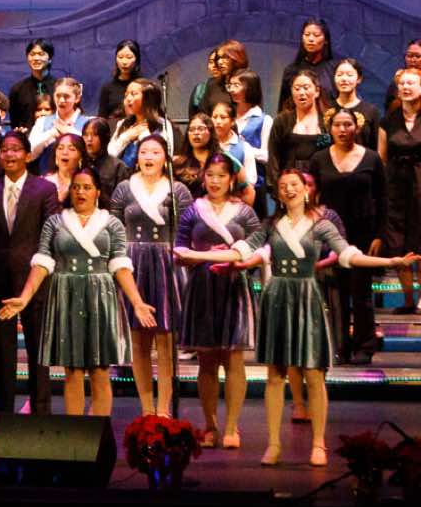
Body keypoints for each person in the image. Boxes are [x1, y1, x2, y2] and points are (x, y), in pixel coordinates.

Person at [219, 168, 414, 466]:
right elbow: (242, 250)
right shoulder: (271, 224)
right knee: (275, 374)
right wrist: (199, 256)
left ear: (306, 189)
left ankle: (318, 443)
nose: (289, 189)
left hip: (307, 296)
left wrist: (391, 260)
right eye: (283, 186)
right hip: (278, 298)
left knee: (313, 372)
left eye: (294, 184)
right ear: (278, 193)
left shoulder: (321, 224)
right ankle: (274, 444)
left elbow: (349, 255)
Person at [0, 168, 156, 419]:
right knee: (72, 370)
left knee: (99, 370)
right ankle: (76, 434)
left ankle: (99, 432)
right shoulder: (55, 222)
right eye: (76, 187)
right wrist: (25, 297)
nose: (81, 192)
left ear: (98, 192)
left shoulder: (111, 223)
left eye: (87, 187)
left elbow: (120, 266)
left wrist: (137, 302)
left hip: (100, 297)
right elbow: (42, 262)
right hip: (66, 295)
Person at [174, 154, 259, 447]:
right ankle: (210, 426)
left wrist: (234, 258)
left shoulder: (245, 212)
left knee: (234, 358)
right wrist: (202, 257)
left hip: (234, 286)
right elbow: (179, 251)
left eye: (221, 175)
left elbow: (257, 249)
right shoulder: (192, 211)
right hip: (202, 287)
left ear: (231, 179)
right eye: (210, 175)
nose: (215, 181)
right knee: (207, 360)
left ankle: (232, 427)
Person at [0, 130, 59, 418]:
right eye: (4, 150)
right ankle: (2, 419)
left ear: (26, 155)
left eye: (15, 149)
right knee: (2, 354)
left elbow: (51, 232)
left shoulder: (44, 189)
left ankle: (41, 416)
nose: (9, 154)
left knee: (38, 351)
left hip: (35, 280)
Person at [109, 136, 191, 417]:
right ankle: (146, 409)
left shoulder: (177, 189)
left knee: (165, 341)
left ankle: (164, 409)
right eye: (144, 152)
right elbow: (115, 228)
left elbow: (186, 229)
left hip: (166, 264)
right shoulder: (124, 188)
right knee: (139, 341)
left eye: (155, 152)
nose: (148, 157)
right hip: (133, 264)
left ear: (165, 158)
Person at [311, 110, 388, 365]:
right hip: (330, 234)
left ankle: (365, 346)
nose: (342, 129)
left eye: (348, 124)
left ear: (357, 127)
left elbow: (383, 199)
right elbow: (312, 197)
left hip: (363, 233)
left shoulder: (372, 158)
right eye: (337, 125)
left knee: (361, 292)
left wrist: (379, 235)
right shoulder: (319, 159)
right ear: (330, 128)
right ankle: (340, 346)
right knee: (336, 293)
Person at [379, 68, 421, 314]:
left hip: (420, 184)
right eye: (402, 83)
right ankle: (407, 300)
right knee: (398, 242)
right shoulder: (389, 120)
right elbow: (382, 157)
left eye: (411, 83)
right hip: (395, 187)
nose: (406, 87)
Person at [269, 72, 333, 172]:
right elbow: (273, 158)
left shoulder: (328, 120)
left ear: (317, 91)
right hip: (289, 179)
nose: (301, 93)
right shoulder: (282, 121)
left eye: (306, 88)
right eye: (297, 89)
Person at [107, 78, 174, 168]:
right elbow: (110, 155)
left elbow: (165, 157)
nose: (128, 99)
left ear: (148, 99)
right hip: (124, 175)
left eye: (133, 94)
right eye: (126, 95)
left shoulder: (163, 124)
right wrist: (127, 136)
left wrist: (144, 134)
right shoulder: (123, 123)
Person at [26, 77, 88, 171]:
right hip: (46, 176)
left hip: (79, 177)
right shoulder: (42, 121)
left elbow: (92, 152)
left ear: (77, 98)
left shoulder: (88, 122)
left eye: (66, 96)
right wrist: (52, 133)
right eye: (58, 96)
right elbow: (29, 154)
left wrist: (70, 132)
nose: (61, 100)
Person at [279, 19, 340, 104]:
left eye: (316, 35)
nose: (311, 39)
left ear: (326, 40)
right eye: (307, 35)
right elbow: (284, 105)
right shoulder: (291, 70)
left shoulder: (335, 69)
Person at [8, 40, 61, 134]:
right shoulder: (17, 89)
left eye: (41, 54)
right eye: (32, 54)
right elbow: (15, 122)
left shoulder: (60, 88)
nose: (36, 58)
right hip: (26, 138)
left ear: (50, 58)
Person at [329, 58, 382, 147]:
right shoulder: (326, 108)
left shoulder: (371, 111)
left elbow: (377, 146)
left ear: (359, 79)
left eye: (349, 75)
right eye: (339, 75)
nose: (344, 79)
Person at [96, 40, 142, 122]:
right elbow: (101, 119)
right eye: (120, 57)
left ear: (137, 60)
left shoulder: (144, 86)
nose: (124, 62)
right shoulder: (107, 87)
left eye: (129, 57)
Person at [82, 118, 128, 199]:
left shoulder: (119, 167)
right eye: (85, 135)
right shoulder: (79, 163)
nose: (89, 139)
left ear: (105, 138)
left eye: (95, 135)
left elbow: (122, 200)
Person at [381, 40, 421, 113]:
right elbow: (389, 111)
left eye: (418, 56)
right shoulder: (398, 81)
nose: (413, 60)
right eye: (409, 56)